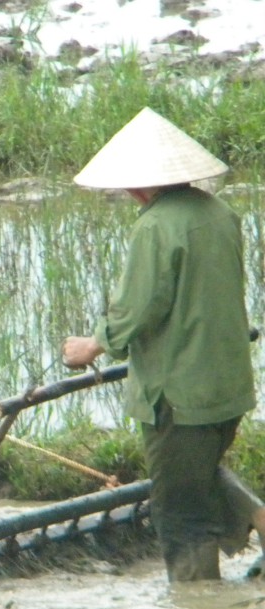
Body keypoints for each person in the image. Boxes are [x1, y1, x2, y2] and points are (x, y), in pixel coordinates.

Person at [62, 106, 265, 581]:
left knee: (179, 511)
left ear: (137, 185)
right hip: (227, 384)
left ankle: (195, 608)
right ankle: (258, 519)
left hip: (178, 392)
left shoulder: (155, 227)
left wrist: (92, 346)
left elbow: (138, 307)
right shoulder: (219, 213)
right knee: (198, 472)